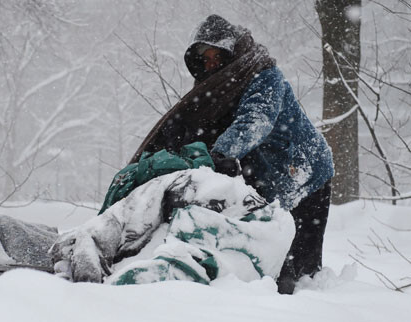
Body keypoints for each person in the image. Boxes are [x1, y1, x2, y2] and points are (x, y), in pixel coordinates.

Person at [130, 14, 334, 294]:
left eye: (217, 55)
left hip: (304, 172)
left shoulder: (263, 74)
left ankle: (304, 302)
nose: (212, 63)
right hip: (262, 170)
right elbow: (193, 129)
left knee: (298, 268)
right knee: (270, 246)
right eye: (206, 58)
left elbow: (255, 121)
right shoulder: (215, 90)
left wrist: (221, 153)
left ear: (232, 52)